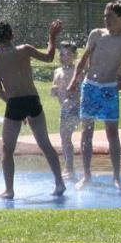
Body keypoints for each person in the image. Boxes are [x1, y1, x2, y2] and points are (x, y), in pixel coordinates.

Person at [0, 20, 67, 198]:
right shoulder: (25, 49)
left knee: (8, 150)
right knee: (45, 144)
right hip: (32, 99)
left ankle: (9, 190)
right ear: (12, 35)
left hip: (14, 103)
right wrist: (52, 37)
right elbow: (48, 57)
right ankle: (59, 183)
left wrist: (12, 105)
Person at [67, 0, 121, 189]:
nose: (106, 19)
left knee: (112, 133)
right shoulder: (97, 34)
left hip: (109, 89)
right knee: (86, 132)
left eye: (110, 16)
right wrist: (74, 81)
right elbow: (83, 61)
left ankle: (116, 177)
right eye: (105, 16)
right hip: (90, 87)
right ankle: (87, 176)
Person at [50, 41, 81, 181]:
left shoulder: (78, 71)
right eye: (62, 54)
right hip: (64, 109)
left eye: (68, 54)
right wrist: (54, 90)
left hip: (76, 107)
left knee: (66, 135)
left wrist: (73, 97)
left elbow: (81, 89)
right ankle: (69, 167)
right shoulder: (57, 71)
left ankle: (70, 169)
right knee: (64, 138)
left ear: (74, 56)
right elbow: (54, 90)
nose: (64, 56)